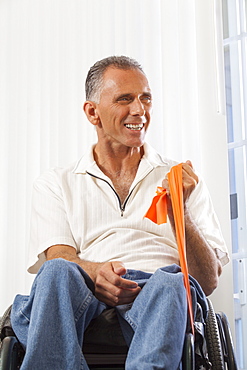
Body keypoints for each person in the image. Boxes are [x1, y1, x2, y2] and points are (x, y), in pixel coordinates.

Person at [10, 56, 229, 369]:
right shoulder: (56, 182)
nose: (139, 110)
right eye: (125, 99)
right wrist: (98, 271)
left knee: (172, 283)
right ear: (92, 113)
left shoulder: (180, 178)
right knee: (55, 271)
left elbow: (206, 282)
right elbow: (60, 257)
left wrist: (180, 210)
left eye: (146, 98)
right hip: (85, 289)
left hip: (158, 289)